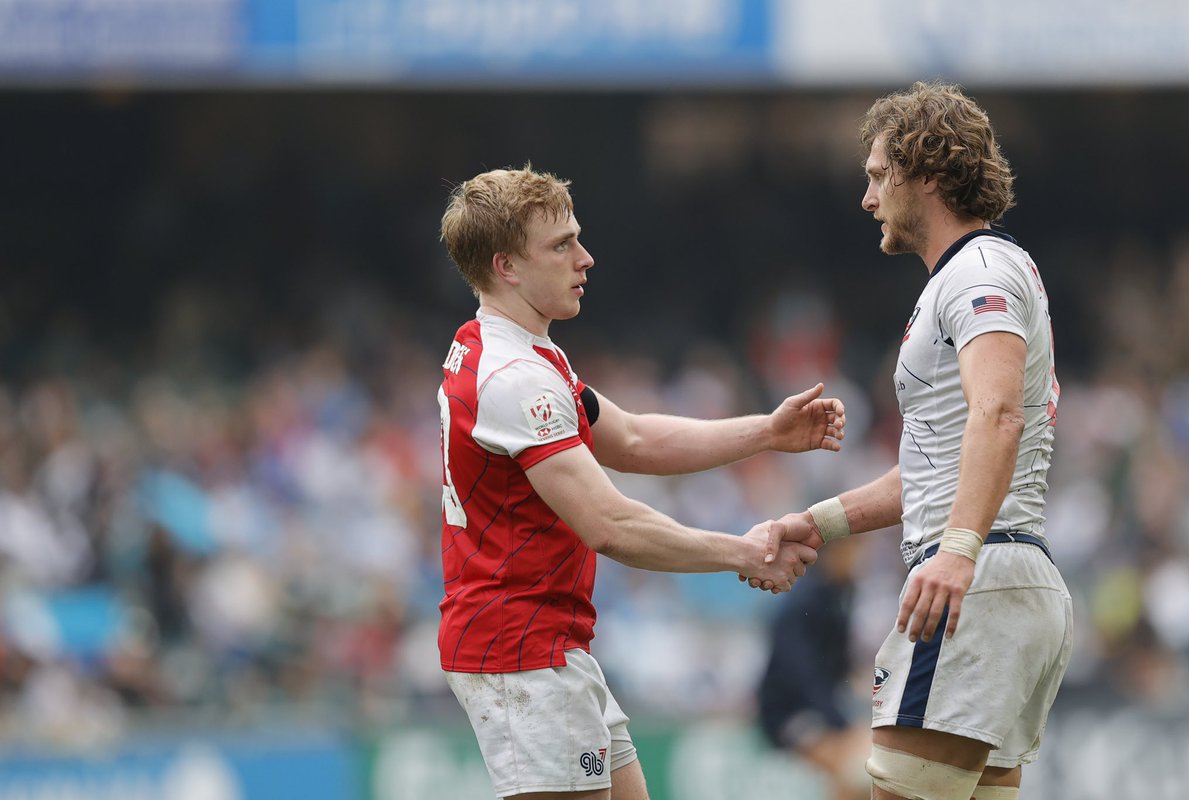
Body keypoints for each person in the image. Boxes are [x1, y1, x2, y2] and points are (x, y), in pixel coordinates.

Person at [436, 164, 846, 800]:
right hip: (522, 649)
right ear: (506, 266)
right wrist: (745, 551)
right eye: (561, 245)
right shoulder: (514, 377)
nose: (585, 258)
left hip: (548, 642)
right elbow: (611, 525)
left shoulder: (513, 348)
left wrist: (767, 431)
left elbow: (630, 439)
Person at [769, 82, 1073, 799]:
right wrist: (815, 524)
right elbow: (942, 464)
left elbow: (997, 415)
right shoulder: (983, 273)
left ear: (926, 172)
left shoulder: (976, 271)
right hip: (1007, 575)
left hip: (978, 578)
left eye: (878, 176)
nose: (868, 199)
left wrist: (958, 552)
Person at [755, 536, 872, 800]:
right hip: (789, 712)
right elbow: (802, 675)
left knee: (863, 770)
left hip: (823, 706)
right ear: (835, 553)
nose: (859, 560)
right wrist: (839, 723)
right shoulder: (803, 601)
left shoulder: (841, 594)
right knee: (850, 769)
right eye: (854, 551)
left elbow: (840, 665)